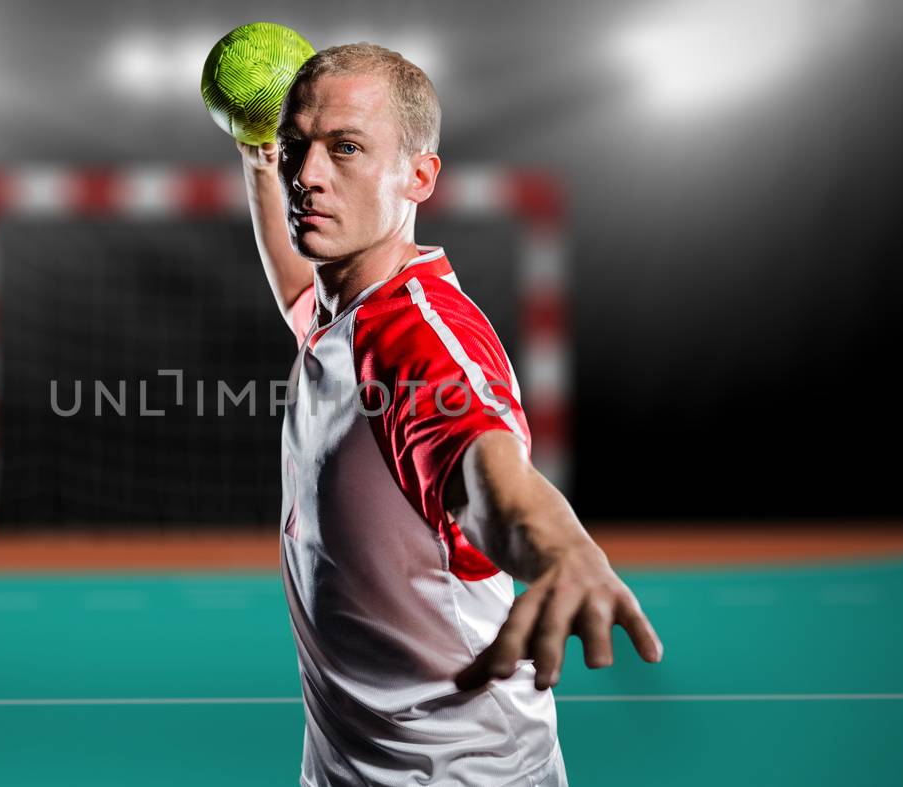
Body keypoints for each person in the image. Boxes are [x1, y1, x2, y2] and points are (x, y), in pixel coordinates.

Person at [236, 43, 665, 786]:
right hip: (346, 768)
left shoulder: (420, 339)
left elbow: (488, 471)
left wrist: (561, 546)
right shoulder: (342, 313)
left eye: (346, 149)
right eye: (296, 148)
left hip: (458, 776)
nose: (305, 176)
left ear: (419, 175)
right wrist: (253, 154)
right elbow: (299, 291)